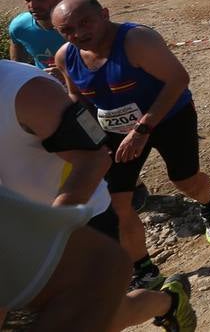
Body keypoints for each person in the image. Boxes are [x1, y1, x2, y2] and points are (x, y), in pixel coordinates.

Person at [52, 0, 210, 294]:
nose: (78, 34)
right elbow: (77, 97)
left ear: (105, 15)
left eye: (85, 22)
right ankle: (144, 268)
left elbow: (178, 79)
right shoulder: (65, 56)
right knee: (117, 201)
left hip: (169, 117)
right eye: (67, 30)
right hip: (115, 128)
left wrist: (142, 129)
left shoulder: (137, 40)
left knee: (185, 181)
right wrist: (87, 139)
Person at [0, 60, 195, 331]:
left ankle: (169, 302)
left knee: (100, 319)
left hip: (77, 220)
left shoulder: (28, 91)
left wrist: (53, 228)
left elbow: (94, 159)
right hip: (15, 235)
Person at [0, 187, 134, 332]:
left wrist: (55, 222)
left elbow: (104, 260)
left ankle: (162, 306)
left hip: (83, 215)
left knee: (112, 313)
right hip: (47, 227)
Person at [8, 0, 66, 71]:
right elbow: (17, 68)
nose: (32, 5)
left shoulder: (81, 25)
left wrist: (67, 74)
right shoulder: (20, 27)